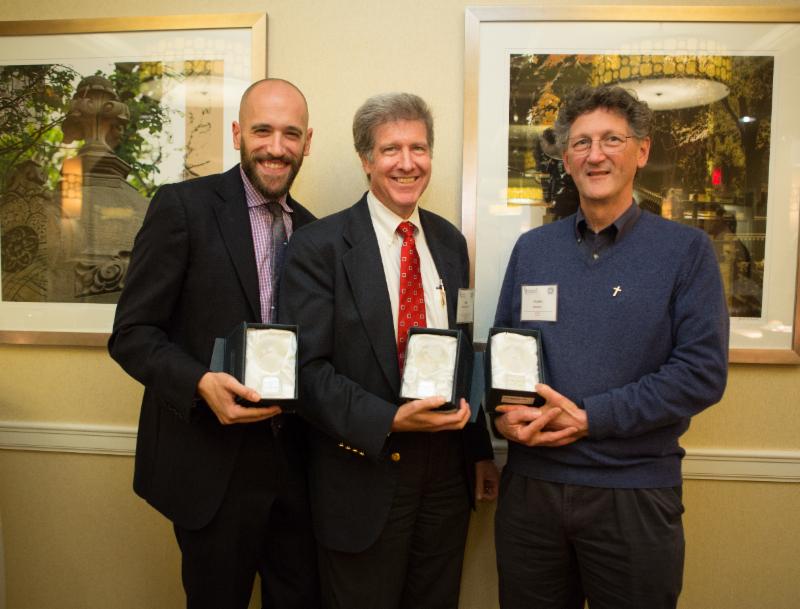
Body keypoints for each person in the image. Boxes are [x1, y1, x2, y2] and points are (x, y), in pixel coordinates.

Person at [492, 85, 729, 609]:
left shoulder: (686, 252)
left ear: (641, 152)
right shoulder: (533, 249)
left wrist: (591, 417)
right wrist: (502, 416)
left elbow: (701, 373)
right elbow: (506, 351)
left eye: (611, 140)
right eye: (581, 143)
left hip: (634, 495)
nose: (595, 154)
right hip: (532, 491)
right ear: (566, 159)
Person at [279, 92, 499, 609]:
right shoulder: (319, 246)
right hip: (363, 474)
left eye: (418, 148)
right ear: (366, 159)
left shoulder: (449, 243)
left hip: (445, 479)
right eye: (390, 149)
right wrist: (391, 420)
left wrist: (478, 449)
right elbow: (305, 371)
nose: (407, 163)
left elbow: (462, 352)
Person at [108, 78, 320, 609]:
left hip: (295, 469)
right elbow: (131, 333)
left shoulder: (315, 232)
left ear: (307, 142)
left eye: (290, 134)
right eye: (262, 131)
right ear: (237, 133)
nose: (276, 147)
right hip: (211, 467)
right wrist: (200, 382)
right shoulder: (183, 207)